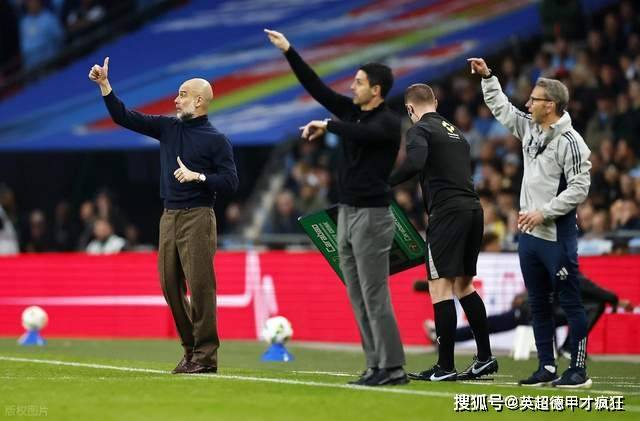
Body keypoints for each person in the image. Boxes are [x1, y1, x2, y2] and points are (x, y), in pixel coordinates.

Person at [265, 29, 407, 386]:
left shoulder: (388, 122)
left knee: (375, 294)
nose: (352, 87)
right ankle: (375, 365)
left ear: (376, 90)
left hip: (372, 216)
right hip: (346, 212)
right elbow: (316, 88)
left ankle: (393, 367)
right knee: (358, 295)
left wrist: (329, 125)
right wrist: (289, 51)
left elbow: (364, 135)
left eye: (359, 83)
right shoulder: (351, 113)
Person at [89, 57, 238, 374]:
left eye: (182, 94)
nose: (176, 100)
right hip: (169, 216)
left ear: (199, 101)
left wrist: (198, 177)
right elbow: (124, 117)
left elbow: (230, 182)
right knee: (169, 285)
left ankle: (206, 357)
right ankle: (191, 350)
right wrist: (105, 86)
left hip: (198, 216)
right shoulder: (169, 128)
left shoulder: (217, 140)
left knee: (200, 287)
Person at [469, 57, 592, 388]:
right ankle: (546, 366)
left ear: (550, 105)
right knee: (537, 303)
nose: (527, 103)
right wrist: (488, 77)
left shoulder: (572, 142)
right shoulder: (530, 128)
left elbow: (580, 188)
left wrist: (544, 212)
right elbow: (503, 109)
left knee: (570, 302)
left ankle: (578, 370)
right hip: (529, 235)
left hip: (556, 235)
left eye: (534, 99)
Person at [389, 84, 496, 382]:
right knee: (464, 286)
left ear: (410, 109)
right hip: (473, 210)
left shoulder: (420, 129)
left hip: (447, 214)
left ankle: (445, 366)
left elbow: (415, 162)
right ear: (435, 102)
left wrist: (385, 183)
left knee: (439, 288)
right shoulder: (456, 132)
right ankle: (484, 358)